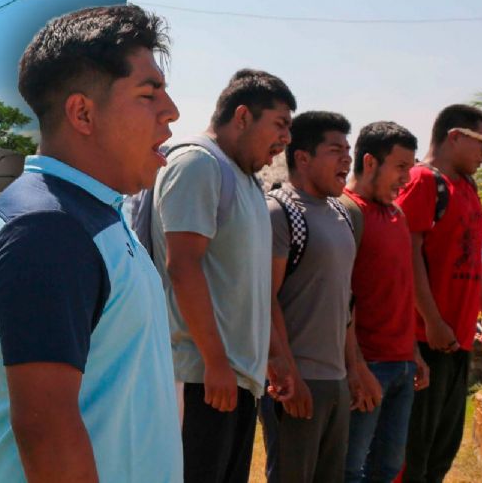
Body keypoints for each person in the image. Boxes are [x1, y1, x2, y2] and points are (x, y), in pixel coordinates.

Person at [0, 4, 182, 482]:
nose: (171, 112)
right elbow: (48, 432)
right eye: (149, 94)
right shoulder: (49, 228)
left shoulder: (90, 210)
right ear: (82, 113)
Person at [153, 68, 295, 483]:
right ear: (243, 116)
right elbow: (183, 267)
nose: (286, 138)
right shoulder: (198, 163)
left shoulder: (247, 180)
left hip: (236, 381)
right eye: (280, 124)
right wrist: (215, 362)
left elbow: (248, 284)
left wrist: (272, 356)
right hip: (200, 377)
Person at [396, 105, 482, 482]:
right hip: (425, 341)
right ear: (455, 137)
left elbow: (474, 265)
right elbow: (407, 255)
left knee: (442, 448)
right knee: (412, 450)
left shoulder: (467, 187)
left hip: (459, 340)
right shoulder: (422, 180)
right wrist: (432, 321)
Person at [258, 111, 355, 483]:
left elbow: (345, 300)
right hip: (297, 382)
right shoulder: (280, 212)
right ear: (302, 157)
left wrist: (354, 368)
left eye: (348, 149)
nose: (346, 159)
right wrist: (287, 374)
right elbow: (264, 299)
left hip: (336, 379)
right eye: (335, 150)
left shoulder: (341, 214)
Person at [341, 122, 428, 482]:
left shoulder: (397, 214)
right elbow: (340, 299)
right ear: (370, 162)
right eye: (401, 167)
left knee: (389, 469)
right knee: (350, 471)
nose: (407, 178)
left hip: (401, 364)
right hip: (367, 366)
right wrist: (357, 368)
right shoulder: (347, 212)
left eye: (411, 167)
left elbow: (400, 290)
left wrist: (414, 353)